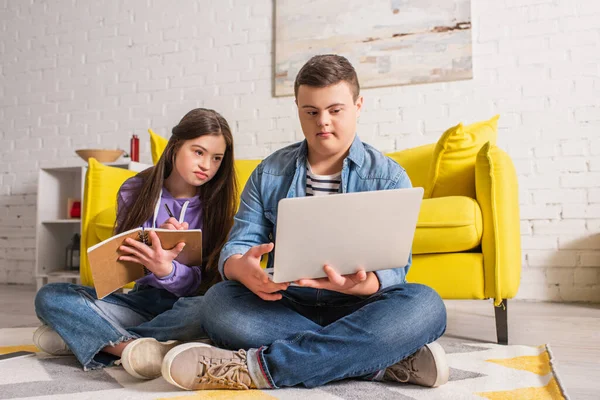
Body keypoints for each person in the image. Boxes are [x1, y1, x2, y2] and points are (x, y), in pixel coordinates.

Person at [160, 55, 448, 391]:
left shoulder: (389, 176)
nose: (323, 122)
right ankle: (379, 362)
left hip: (360, 309)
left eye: (335, 110)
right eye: (311, 111)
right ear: (297, 108)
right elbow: (238, 246)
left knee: (426, 305)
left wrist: (366, 285)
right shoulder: (268, 172)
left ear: (358, 106)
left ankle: (258, 369)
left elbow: (396, 270)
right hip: (284, 304)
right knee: (219, 303)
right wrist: (243, 269)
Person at [33, 108, 238, 380]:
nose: (207, 166)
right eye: (198, 152)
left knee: (214, 308)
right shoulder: (135, 190)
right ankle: (131, 347)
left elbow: (206, 283)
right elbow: (120, 265)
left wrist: (168, 269)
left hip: (186, 305)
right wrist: (152, 245)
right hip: (139, 302)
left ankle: (90, 337)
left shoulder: (218, 206)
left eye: (216, 158)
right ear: (176, 145)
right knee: (50, 296)